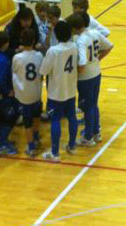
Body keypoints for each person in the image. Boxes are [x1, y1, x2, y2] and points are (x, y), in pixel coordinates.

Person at [67, 13, 113, 147]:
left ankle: (88, 137)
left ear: (75, 28)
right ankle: (96, 132)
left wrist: (75, 75)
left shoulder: (81, 40)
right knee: (93, 104)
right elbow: (109, 46)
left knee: (87, 107)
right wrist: (98, 59)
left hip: (85, 78)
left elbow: (82, 62)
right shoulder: (94, 33)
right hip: (97, 73)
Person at [40, 21, 78, 162]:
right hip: (71, 89)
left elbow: (43, 70)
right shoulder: (74, 47)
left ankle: (55, 153)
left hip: (56, 92)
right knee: (72, 117)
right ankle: (72, 146)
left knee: (55, 119)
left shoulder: (53, 51)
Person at [12, 28, 43, 157]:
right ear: (34, 41)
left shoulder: (17, 57)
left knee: (27, 122)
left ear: (20, 41)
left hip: (23, 95)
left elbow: (14, 72)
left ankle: (31, 147)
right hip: (36, 92)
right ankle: (36, 139)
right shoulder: (39, 55)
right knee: (36, 117)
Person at [0, 31, 18, 155]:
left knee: (0, 118)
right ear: (6, 43)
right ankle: (2, 144)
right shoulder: (3, 60)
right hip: (3, 95)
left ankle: (2, 139)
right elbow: (1, 79)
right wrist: (8, 92)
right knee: (10, 117)